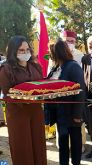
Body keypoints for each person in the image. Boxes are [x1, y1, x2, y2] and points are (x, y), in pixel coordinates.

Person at [0, 36, 47, 165]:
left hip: (36, 111)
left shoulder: (36, 66)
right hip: (17, 114)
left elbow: (42, 85)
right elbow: (7, 93)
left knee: (39, 145)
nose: (25, 52)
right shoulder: (6, 69)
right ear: (13, 51)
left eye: (27, 49)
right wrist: (25, 98)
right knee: (23, 147)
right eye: (21, 50)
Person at [48, 39, 86, 165]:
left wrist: (77, 116)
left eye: (51, 53)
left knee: (75, 144)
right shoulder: (58, 67)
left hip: (72, 115)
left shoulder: (73, 66)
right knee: (63, 144)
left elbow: (80, 92)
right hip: (62, 115)